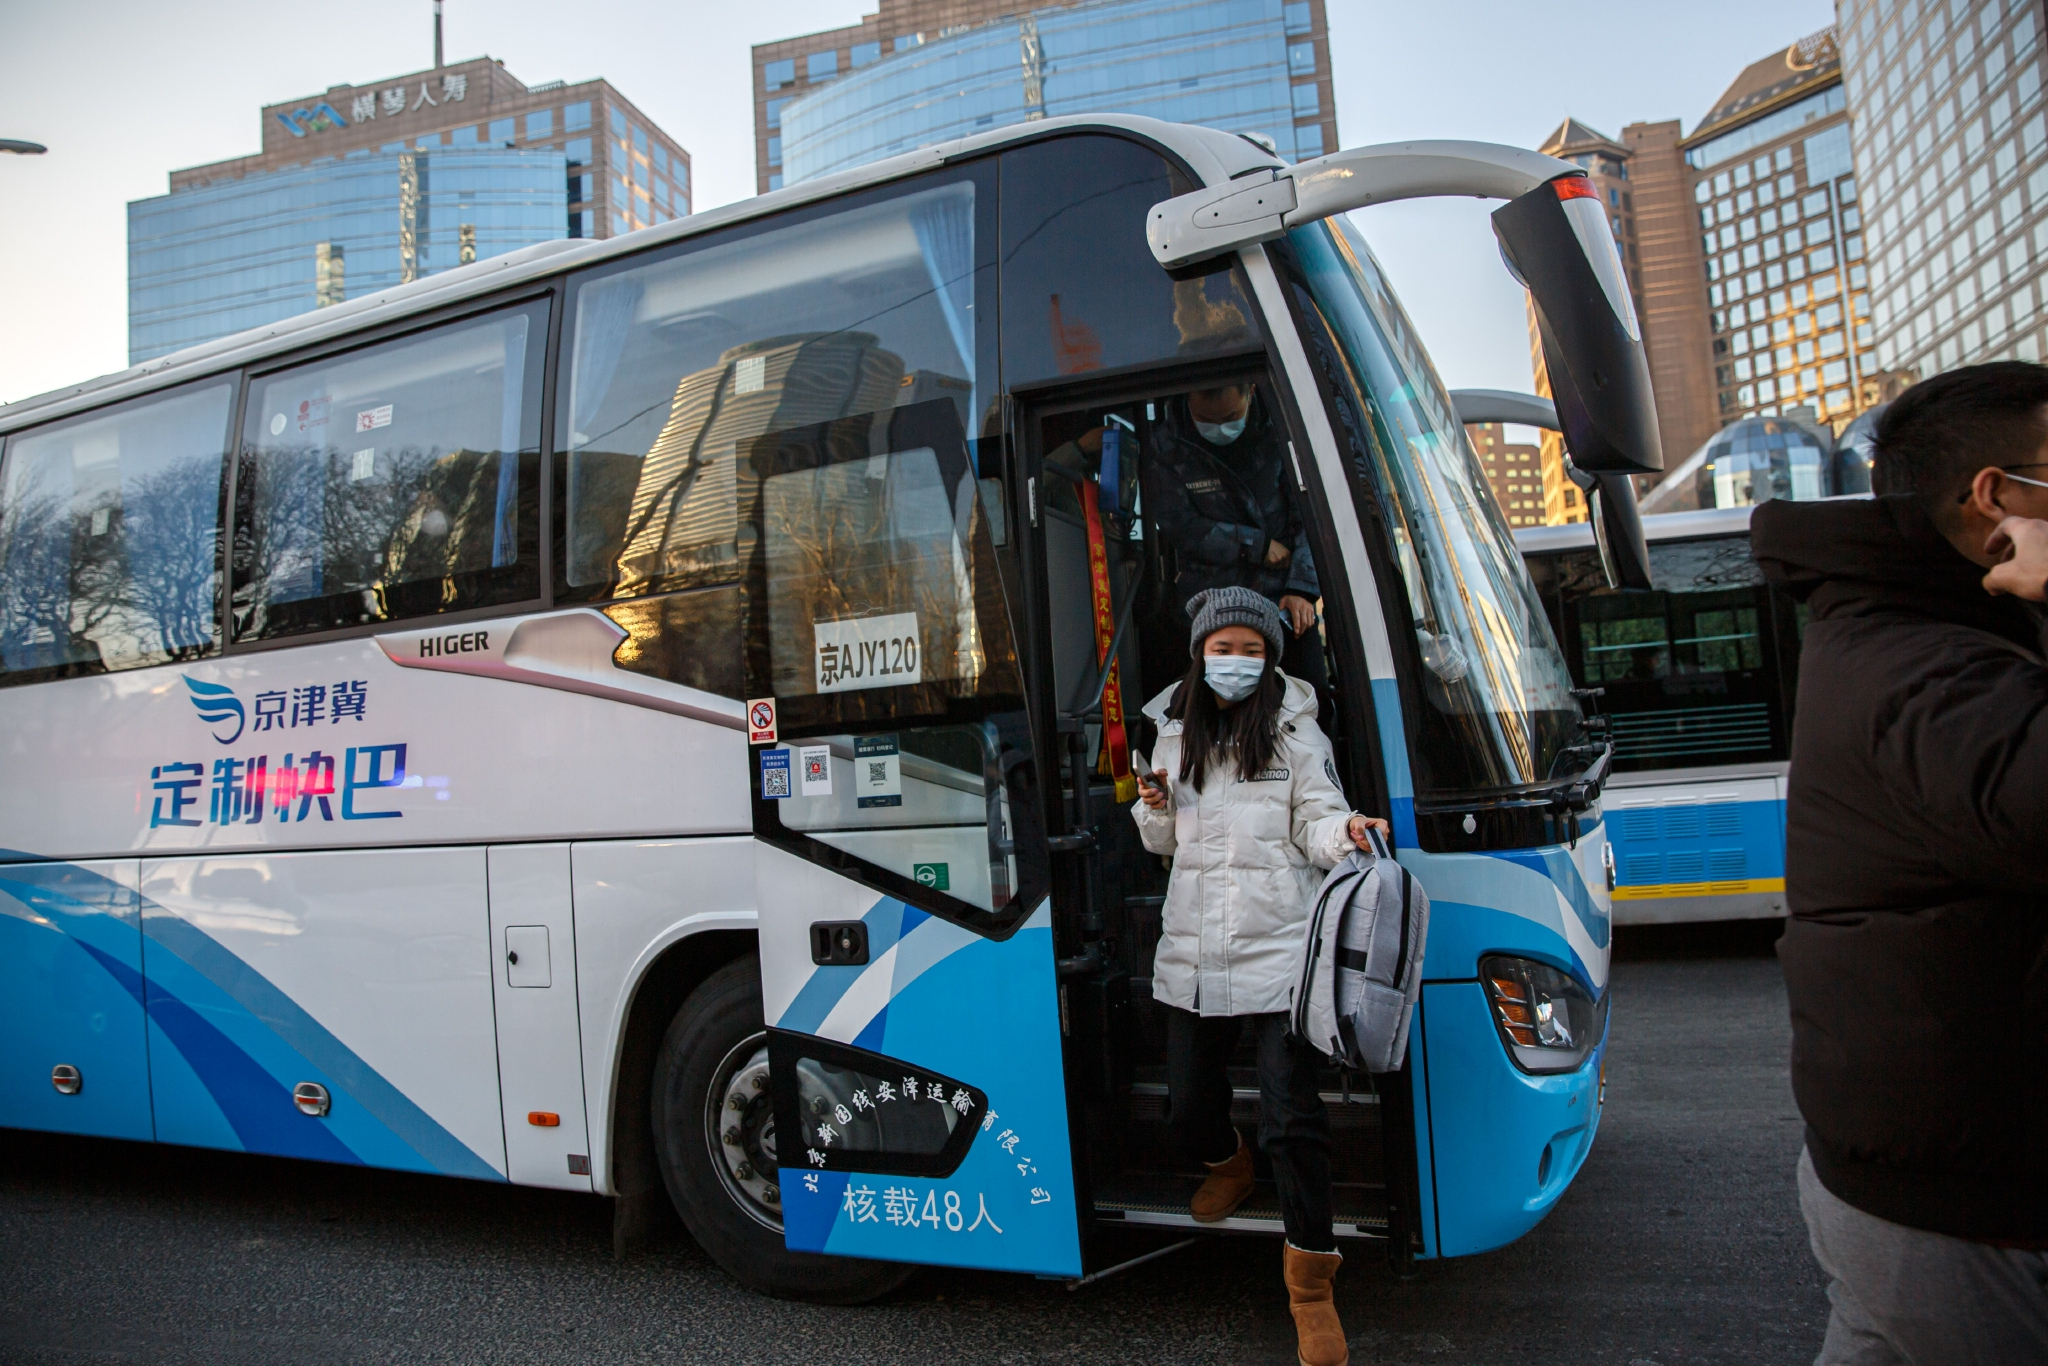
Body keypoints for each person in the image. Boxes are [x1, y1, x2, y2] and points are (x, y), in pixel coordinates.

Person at [1749, 361, 2048, 1365]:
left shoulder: (1936, 629)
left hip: (1917, 1173)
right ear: (1998, 497)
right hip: (1958, 1201)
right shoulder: (1920, 662)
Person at [1130, 586, 1389, 1366]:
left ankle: (1311, 1288)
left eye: (1251, 650)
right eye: (1223, 649)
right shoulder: (1171, 733)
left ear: (1271, 659)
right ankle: (1226, 1162)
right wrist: (1151, 808)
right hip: (1196, 949)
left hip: (1281, 948)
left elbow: (1316, 817)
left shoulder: (1295, 734)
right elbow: (1160, 842)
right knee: (1186, 1109)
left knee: (1293, 1121)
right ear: (1200, 653)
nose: (1235, 663)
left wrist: (1343, 831)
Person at [1142, 383, 1328, 691]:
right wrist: (1256, 546)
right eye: (1205, 418)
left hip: (1282, 598)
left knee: (1308, 699)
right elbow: (1180, 524)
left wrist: (1302, 589)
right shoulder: (1167, 445)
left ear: (1251, 392)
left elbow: (1312, 516)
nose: (1218, 428)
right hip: (1209, 601)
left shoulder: (1284, 428)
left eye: (1230, 416)